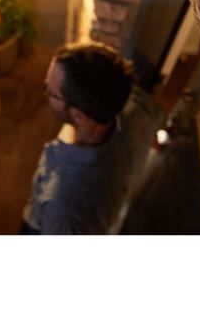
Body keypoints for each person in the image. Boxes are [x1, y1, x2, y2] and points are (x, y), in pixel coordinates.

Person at [21, 43, 164, 235]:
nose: (46, 90)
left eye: (51, 92)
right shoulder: (140, 110)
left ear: (79, 116)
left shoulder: (62, 207)